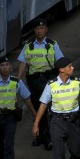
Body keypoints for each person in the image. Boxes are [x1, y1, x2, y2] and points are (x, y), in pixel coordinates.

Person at [17, 17, 64, 148]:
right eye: (37, 28)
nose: (39, 31)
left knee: (47, 109)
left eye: (42, 28)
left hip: (48, 80)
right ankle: (40, 136)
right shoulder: (28, 45)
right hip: (34, 82)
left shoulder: (52, 44)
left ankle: (48, 138)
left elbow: (61, 63)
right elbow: (22, 63)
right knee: (38, 109)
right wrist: (18, 80)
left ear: (46, 29)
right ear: (34, 30)